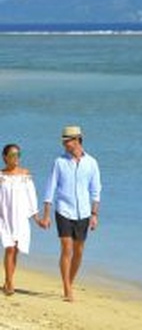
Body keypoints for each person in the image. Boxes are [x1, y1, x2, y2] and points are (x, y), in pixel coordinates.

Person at [41, 126, 102, 302]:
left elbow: (96, 190)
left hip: (83, 212)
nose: (65, 144)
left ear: (77, 140)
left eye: (67, 141)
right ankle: (67, 288)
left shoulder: (91, 163)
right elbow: (50, 188)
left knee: (79, 251)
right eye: (64, 141)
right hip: (63, 210)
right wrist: (46, 215)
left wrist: (94, 214)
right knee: (66, 248)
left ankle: (70, 281)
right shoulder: (59, 162)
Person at [0, 144, 42, 296]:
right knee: (9, 248)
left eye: (18, 154)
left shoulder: (25, 175)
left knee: (16, 249)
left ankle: (8, 280)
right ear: (5, 157)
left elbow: (31, 196)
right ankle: (10, 282)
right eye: (12, 155)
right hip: (4, 217)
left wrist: (37, 217)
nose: (16, 158)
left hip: (20, 217)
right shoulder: (1, 176)